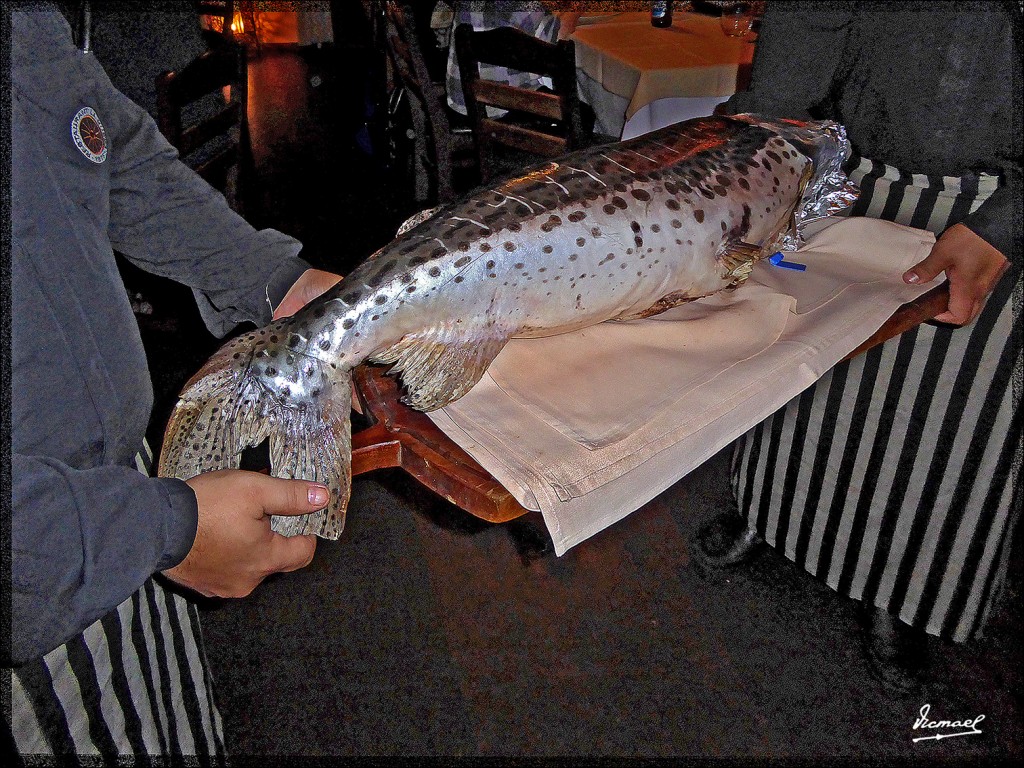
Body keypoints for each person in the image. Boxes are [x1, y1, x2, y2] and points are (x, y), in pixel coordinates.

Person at [7, 3, 342, 757]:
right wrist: (159, 530)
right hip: (46, 557)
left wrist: (273, 283)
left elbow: (103, 144)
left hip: (126, 498)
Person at [697, 0, 1021, 691]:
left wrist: (1010, 224)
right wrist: (760, 150)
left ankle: (900, 592)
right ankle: (770, 515)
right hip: (855, 178)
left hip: (993, 211)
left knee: (940, 424)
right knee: (803, 385)